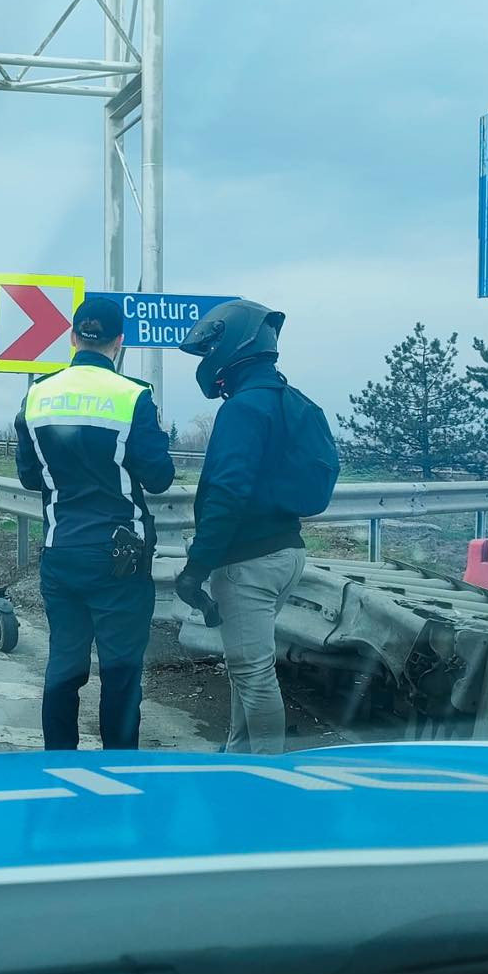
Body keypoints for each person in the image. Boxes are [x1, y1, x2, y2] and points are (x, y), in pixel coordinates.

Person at [174, 299, 337, 754]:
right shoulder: (295, 402)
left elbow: (226, 495)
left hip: (247, 561)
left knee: (253, 672)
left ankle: (266, 775)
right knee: (247, 666)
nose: (207, 362)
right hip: (287, 552)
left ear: (232, 347)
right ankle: (236, 757)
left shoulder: (244, 409)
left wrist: (195, 568)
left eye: (209, 351)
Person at [15, 297, 175, 750]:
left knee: (64, 665)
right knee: (121, 671)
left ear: (72, 337)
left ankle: (58, 765)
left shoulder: (38, 395)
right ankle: (117, 773)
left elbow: (30, 475)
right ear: (118, 342)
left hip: (61, 549)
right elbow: (160, 478)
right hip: (119, 557)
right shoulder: (133, 397)